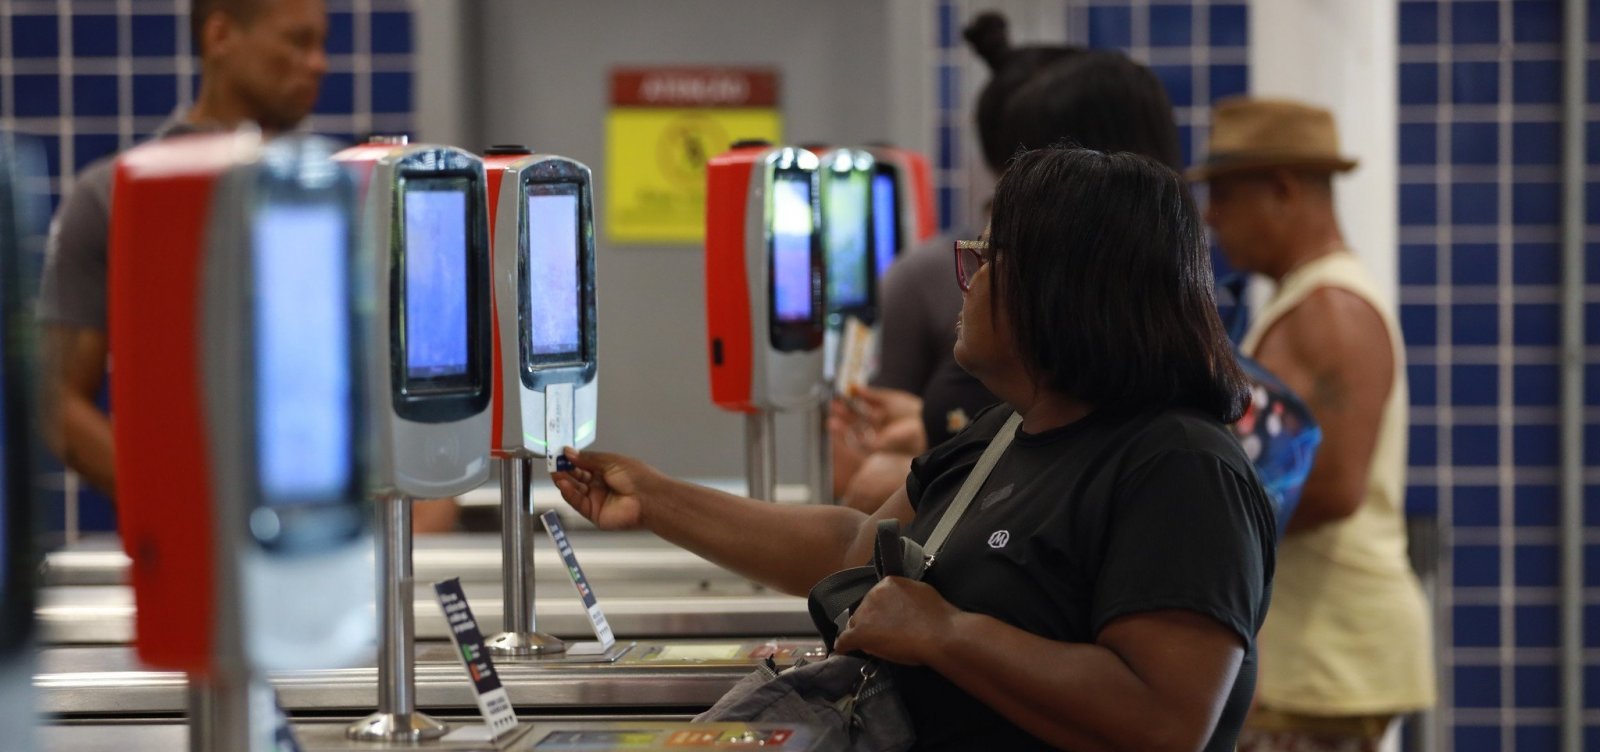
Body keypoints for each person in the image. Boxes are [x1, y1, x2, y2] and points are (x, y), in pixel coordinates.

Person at [556, 146, 1276, 752]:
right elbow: (855, 549)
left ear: (1058, 291)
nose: (967, 278)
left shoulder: (1180, 467)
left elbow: (1166, 717)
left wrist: (949, 635)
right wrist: (655, 498)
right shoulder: (1004, 432)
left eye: (988, 259)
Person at [36, 0, 458, 532]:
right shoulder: (113, 198)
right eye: (296, 42)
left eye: (322, 44)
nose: (319, 63)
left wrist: (420, 501)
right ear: (220, 36)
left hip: (339, 549)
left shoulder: (342, 197)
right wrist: (190, 509)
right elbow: (55, 401)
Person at [835, 10, 1183, 512]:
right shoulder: (1013, 412)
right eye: (984, 255)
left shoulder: (1165, 426)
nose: (978, 280)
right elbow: (856, 537)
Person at [1193, 97, 1434, 751]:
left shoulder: (1330, 311)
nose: (1211, 216)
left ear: (1281, 189)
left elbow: (1329, 486)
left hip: (1326, 654)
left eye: (1224, 194)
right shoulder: (1307, 301)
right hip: (1319, 652)